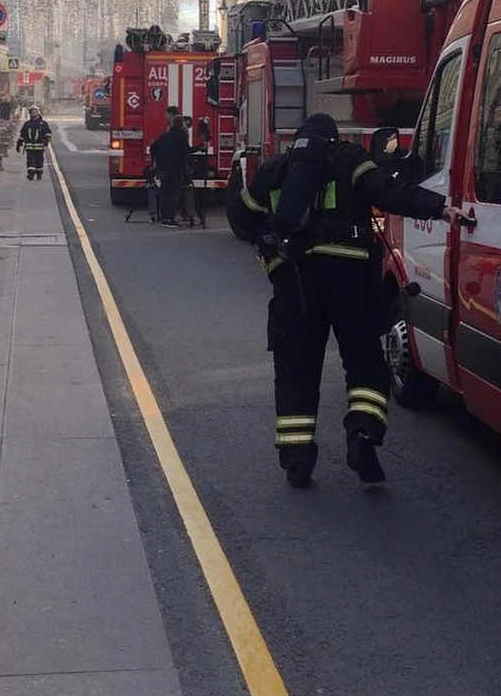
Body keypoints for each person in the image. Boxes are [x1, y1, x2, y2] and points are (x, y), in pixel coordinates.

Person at [226, 112, 465, 490]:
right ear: (333, 138)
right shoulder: (351, 159)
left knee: (296, 370)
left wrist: (270, 243)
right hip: (352, 281)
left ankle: (298, 461)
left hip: (295, 284)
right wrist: (440, 209)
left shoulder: (276, 170)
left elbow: (240, 216)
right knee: (365, 362)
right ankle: (362, 436)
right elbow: (389, 191)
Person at [149, 111, 190, 227]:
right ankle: (170, 219)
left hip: (162, 169)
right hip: (176, 170)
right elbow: (186, 152)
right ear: (181, 125)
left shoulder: (164, 136)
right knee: (173, 194)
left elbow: (153, 150)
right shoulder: (181, 137)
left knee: (164, 193)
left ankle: (164, 218)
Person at [16, 106, 52, 180]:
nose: (33, 114)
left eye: (34, 112)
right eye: (32, 113)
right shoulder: (27, 124)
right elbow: (22, 134)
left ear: (37, 113)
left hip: (40, 146)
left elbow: (48, 132)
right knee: (30, 160)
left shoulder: (43, 123)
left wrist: (47, 139)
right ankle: (30, 174)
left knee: (39, 161)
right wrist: (19, 144)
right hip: (29, 146)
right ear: (30, 114)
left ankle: (39, 173)